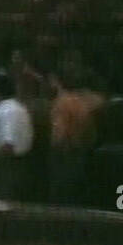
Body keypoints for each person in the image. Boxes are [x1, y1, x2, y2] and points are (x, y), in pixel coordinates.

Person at [48, 66, 104, 204]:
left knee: (62, 198)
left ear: (55, 81)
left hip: (66, 155)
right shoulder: (82, 102)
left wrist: (55, 149)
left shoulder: (61, 103)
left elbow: (59, 134)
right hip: (82, 153)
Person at [0, 70, 34, 201]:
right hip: (24, 160)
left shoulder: (5, 111)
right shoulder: (21, 107)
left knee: (7, 201)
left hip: (9, 163)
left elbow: (8, 144)